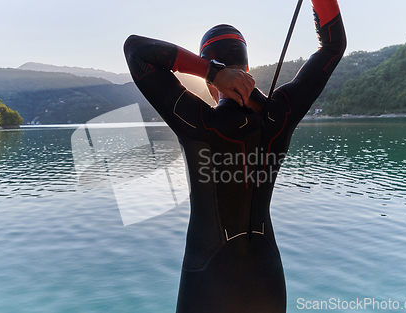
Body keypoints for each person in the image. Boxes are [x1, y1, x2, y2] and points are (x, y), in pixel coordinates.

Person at [123, 0, 346, 312]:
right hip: (267, 276)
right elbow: (333, 48)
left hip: (210, 282)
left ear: (208, 79)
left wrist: (212, 72)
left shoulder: (200, 122)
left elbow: (136, 50)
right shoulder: (281, 112)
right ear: (248, 68)